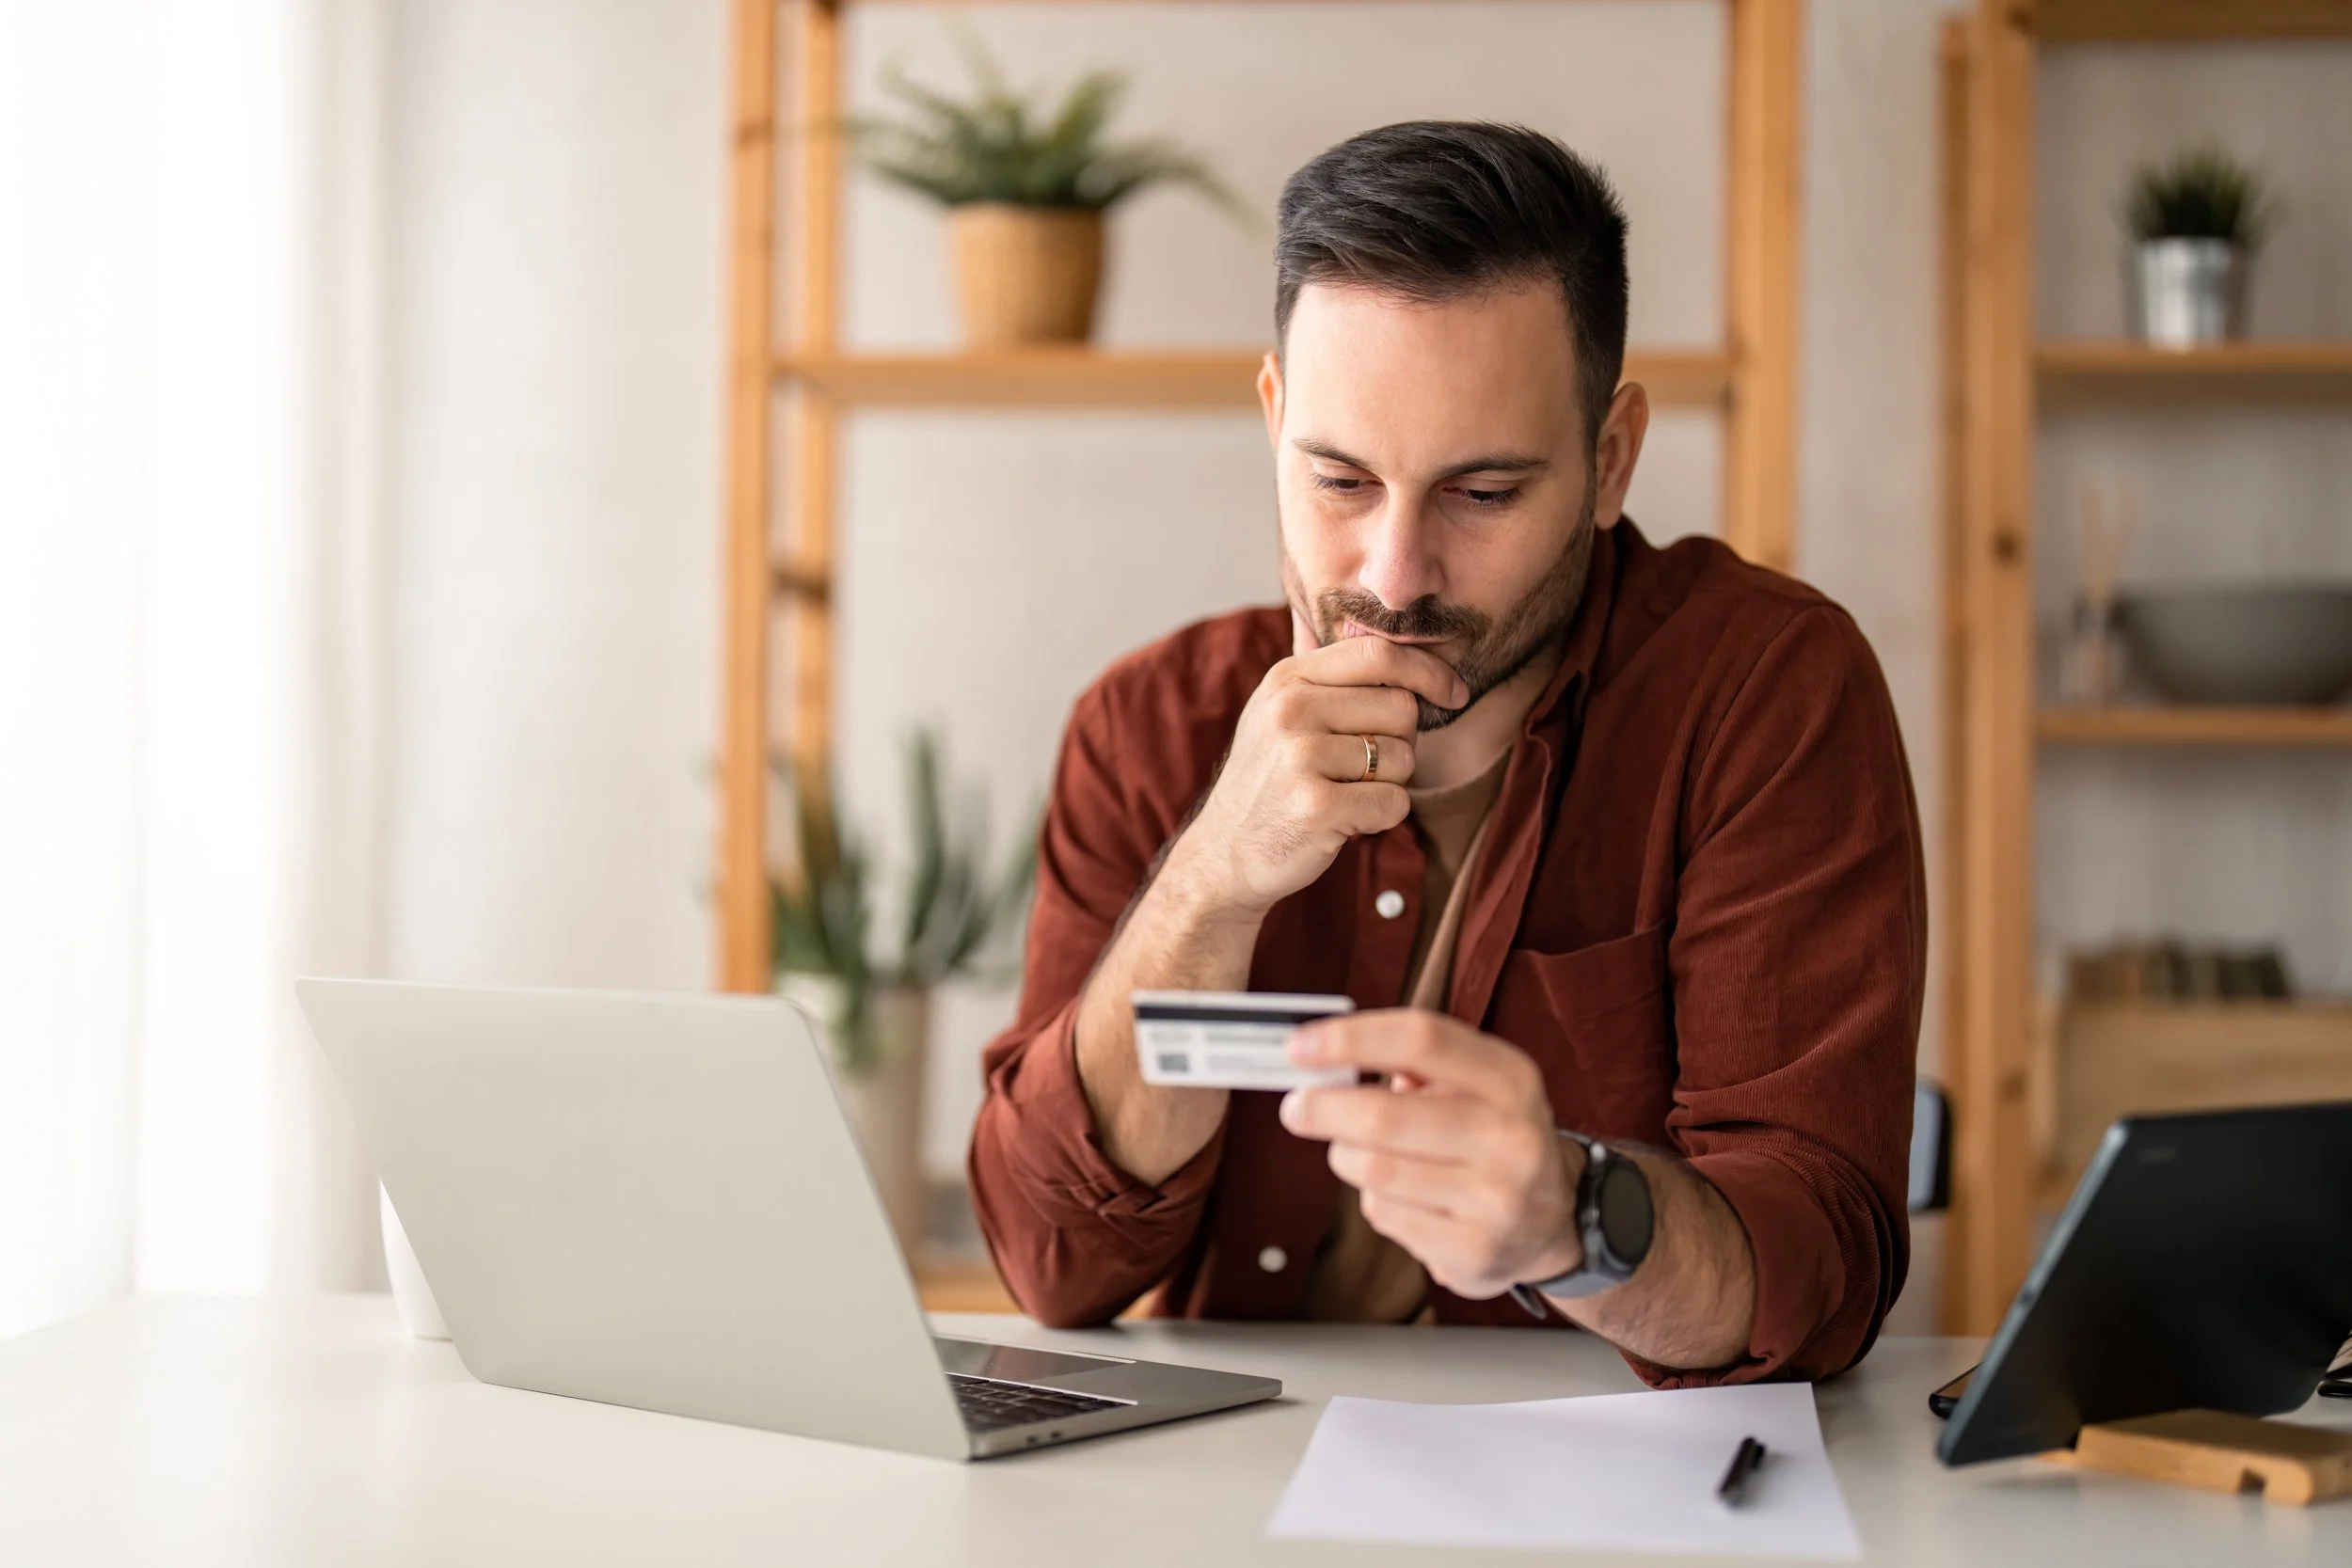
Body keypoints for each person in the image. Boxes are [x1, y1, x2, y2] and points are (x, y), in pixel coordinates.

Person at [967, 121, 1925, 1385]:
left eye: (1482, 493)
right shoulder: (1148, 726)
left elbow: (1823, 1268)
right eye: (1340, 480)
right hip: (1232, 1481)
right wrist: (1209, 878)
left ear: (1610, 459)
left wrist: (1574, 1220)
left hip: (1609, 1490)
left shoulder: (1765, 695)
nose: (1393, 577)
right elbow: (1051, 1258)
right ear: (1274, 420)